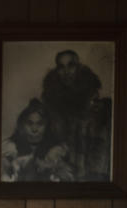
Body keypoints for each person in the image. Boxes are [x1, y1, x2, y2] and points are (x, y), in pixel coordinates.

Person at [41, 49, 103, 179]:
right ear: (57, 70)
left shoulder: (91, 96)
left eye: (71, 66)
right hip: (60, 161)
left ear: (78, 67)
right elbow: (47, 133)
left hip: (88, 161)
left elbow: (97, 137)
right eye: (61, 67)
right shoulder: (50, 99)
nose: (66, 72)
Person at [0, 98, 74, 182]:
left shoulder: (56, 149)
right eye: (30, 123)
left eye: (40, 123)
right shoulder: (11, 146)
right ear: (22, 124)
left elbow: (66, 177)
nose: (34, 129)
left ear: (47, 125)